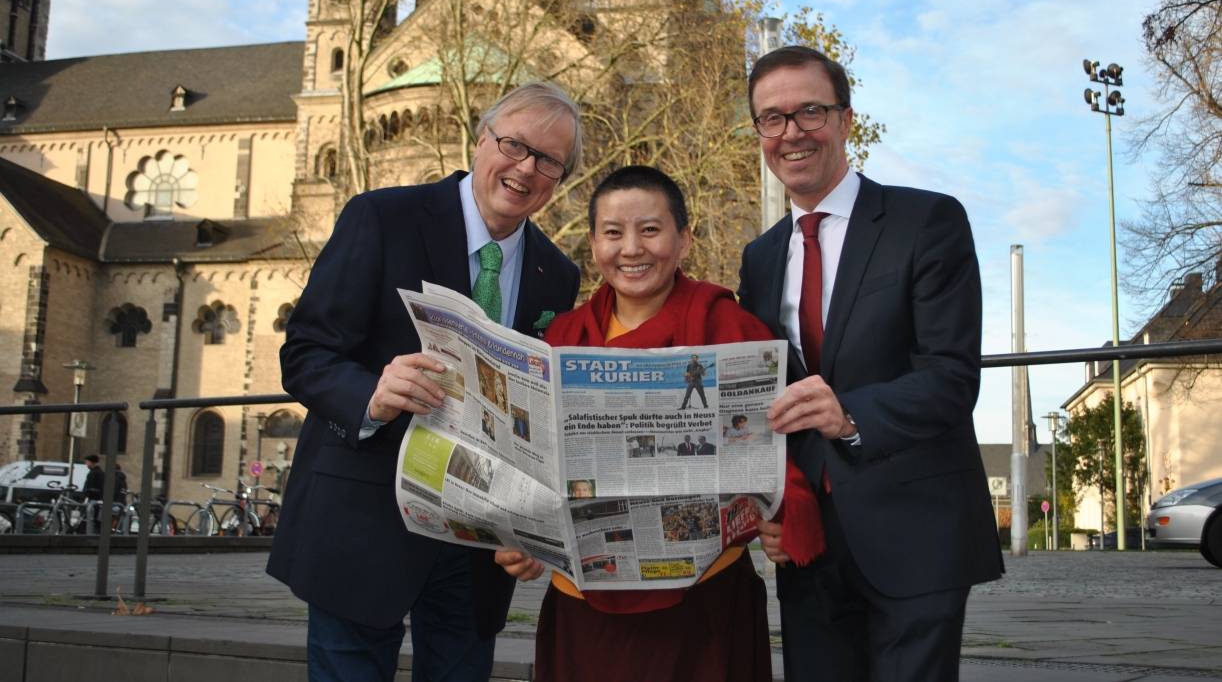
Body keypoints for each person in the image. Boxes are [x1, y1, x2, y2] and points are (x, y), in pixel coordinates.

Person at [268, 81, 583, 682]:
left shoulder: (557, 274)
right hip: (364, 518)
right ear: (480, 139)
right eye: (513, 145)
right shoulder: (381, 217)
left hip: (477, 545)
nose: (525, 169)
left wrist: (533, 527)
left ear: (560, 179)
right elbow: (306, 351)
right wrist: (371, 395)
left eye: (548, 160)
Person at [737, 46, 1003, 681]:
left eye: (810, 111)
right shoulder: (760, 257)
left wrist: (849, 414)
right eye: (771, 119)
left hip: (917, 532)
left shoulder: (927, 221)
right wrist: (769, 508)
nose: (791, 133)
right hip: (808, 547)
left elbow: (951, 376)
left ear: (846, 119)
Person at [496, 165, 774, 682]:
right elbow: (526, 466)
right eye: (612, 232)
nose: (631, 249)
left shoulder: (731, 327)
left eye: (650, 230)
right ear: (593, 243)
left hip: (703, 596)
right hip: (582, 600)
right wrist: (522, 541)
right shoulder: (562, 337)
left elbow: (774, 448)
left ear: (684, 239)